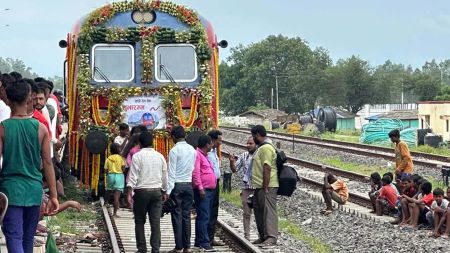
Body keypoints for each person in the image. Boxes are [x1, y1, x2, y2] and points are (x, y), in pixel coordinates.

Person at [0, 79, 59, 252]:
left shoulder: (3, 128)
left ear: (8, 100)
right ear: (29, 99)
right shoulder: (40, 128)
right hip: (34, 190)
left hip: (11, 191)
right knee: (27, 238)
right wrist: (54, 196)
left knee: (14, 237)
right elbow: (48, 163)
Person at [127, 131, 168, 253]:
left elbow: (133, 177)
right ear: (152, 142)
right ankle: (155, 249)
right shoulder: (160, 156)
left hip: (141, 193)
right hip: (156, 192)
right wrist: (165, 191)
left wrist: (129, 193)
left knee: (139, 221)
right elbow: (164, 176)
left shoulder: (137, 156)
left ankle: (142, 249)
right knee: (155, 223)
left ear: (139, 143)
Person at [167, 126, 196, 253]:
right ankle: (187, 247)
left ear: (173, 137)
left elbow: (171, 173)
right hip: (189, 186)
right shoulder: (192, 150)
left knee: (176, 216)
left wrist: (168, 191)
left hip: (177, 186)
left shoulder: (174, 151)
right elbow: (192, 168)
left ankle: (178, 247)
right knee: (186, 216)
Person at [250, 125, 278, 247]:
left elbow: (267, 168)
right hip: (259, 186)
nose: (252, 138)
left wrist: (265, 186)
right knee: (259, 211)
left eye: (253, 135)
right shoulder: (261, 147)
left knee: (268, 211)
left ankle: (271, 237)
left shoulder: (266, 148)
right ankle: (263, 236)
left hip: (267, 185)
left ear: (257, 134)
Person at [229, 136, 257, 240]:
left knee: (260, 214)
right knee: (246, 213)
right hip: (247, 188)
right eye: (247, 143)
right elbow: (235, 169)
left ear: (256, 144)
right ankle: (247, 236)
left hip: (258, 189)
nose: (248, 145)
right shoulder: (244, 156)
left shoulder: (260, 154)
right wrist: (232, 161)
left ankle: (262, 236)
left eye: (251, 144)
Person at [192, 134, 216, 252]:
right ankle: (204, 243)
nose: (212, 145)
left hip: (208, 190)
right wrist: (200, 188)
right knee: (204, 217)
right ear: (207, 144)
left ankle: (198, 242)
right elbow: (195, 173)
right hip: (204, 191)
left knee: (203, 216)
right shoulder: (198, 155)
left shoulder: (204, 155)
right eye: (211, 143)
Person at [206, 130, 224, 247]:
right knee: (208, 211)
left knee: (214, 211)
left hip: (216, 183)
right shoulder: (206, 153)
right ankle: (205, 239)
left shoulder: (214, 152)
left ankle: (210, 238)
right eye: (219, 140)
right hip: (209, 185)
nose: (220, 142)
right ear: (213, 140)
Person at [105, 143, 126, 218]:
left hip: (110, 176)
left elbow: (105, 170)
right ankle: (114, 214)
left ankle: (105, 202)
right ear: (118, 150)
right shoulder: (121, 158)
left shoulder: (108, 158)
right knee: (116, 197)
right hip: (119, 176)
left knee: (108, 190)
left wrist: (109, 173)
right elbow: (123, 169)